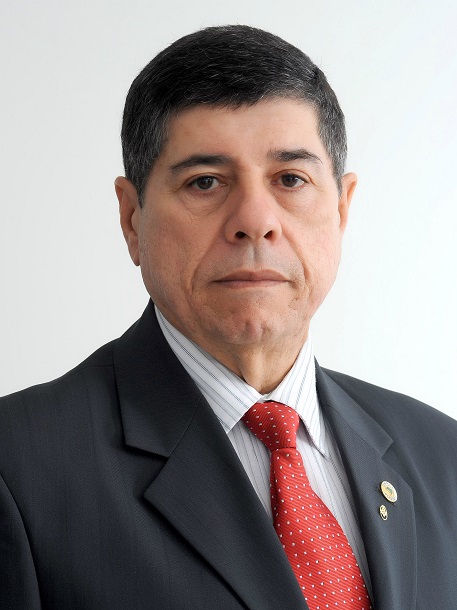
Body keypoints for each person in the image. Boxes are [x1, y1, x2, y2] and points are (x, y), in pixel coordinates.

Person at [1, 25, 456, 610]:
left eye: (290, 179)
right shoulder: (18, 471)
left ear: (342, 210)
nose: (254, 221)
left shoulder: (442, 456)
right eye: (206, 182)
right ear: (132, 218)